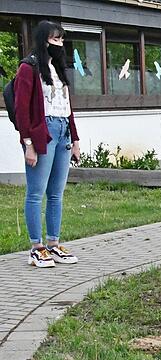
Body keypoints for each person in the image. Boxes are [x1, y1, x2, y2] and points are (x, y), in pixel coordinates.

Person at [15, 21, 81, 268]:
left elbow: (68, 107)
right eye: (56, 40)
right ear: (44, 40)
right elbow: (22, 111)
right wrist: (28, 144)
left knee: (56, 193)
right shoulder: (28, 68)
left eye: (62, 40)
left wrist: (75, 140)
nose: (60, 44)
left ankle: (53, 244)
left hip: (63, 130)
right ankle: (36, 247)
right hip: (42, 132)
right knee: (35, 192)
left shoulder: (58, 69)